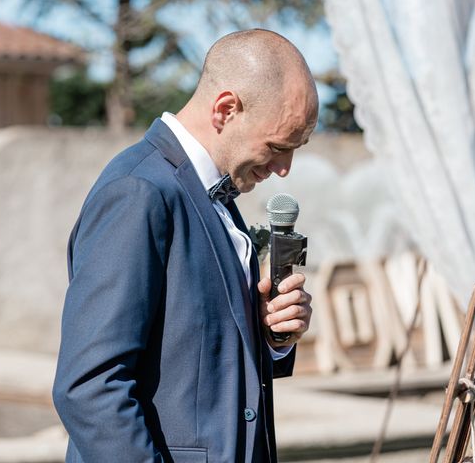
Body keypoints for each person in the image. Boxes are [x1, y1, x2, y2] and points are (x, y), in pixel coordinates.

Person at [53, 29, 319, 463]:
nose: (284, 168)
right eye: (277, 146)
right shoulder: (138, 192)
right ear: (226, 109)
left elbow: (199, 364)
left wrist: (271, 335)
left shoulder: (215, 195)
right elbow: (89, 387)